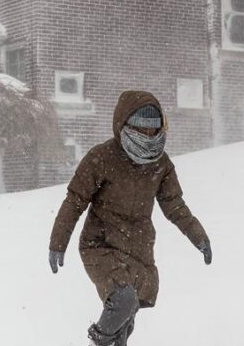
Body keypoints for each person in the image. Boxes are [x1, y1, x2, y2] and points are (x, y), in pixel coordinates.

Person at [48, 90, 212, 346]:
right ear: (123, 124)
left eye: (153, 130)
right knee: (123, 299)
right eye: (140, 129)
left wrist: (198, 236)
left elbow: (174, 204)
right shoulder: (102, 157)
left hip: (138, 249)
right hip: (100, 245)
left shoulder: (161, 164)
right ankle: (96, 343)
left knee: (125, 324)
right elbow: (74, 201)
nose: (147, 136)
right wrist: (58, 243)